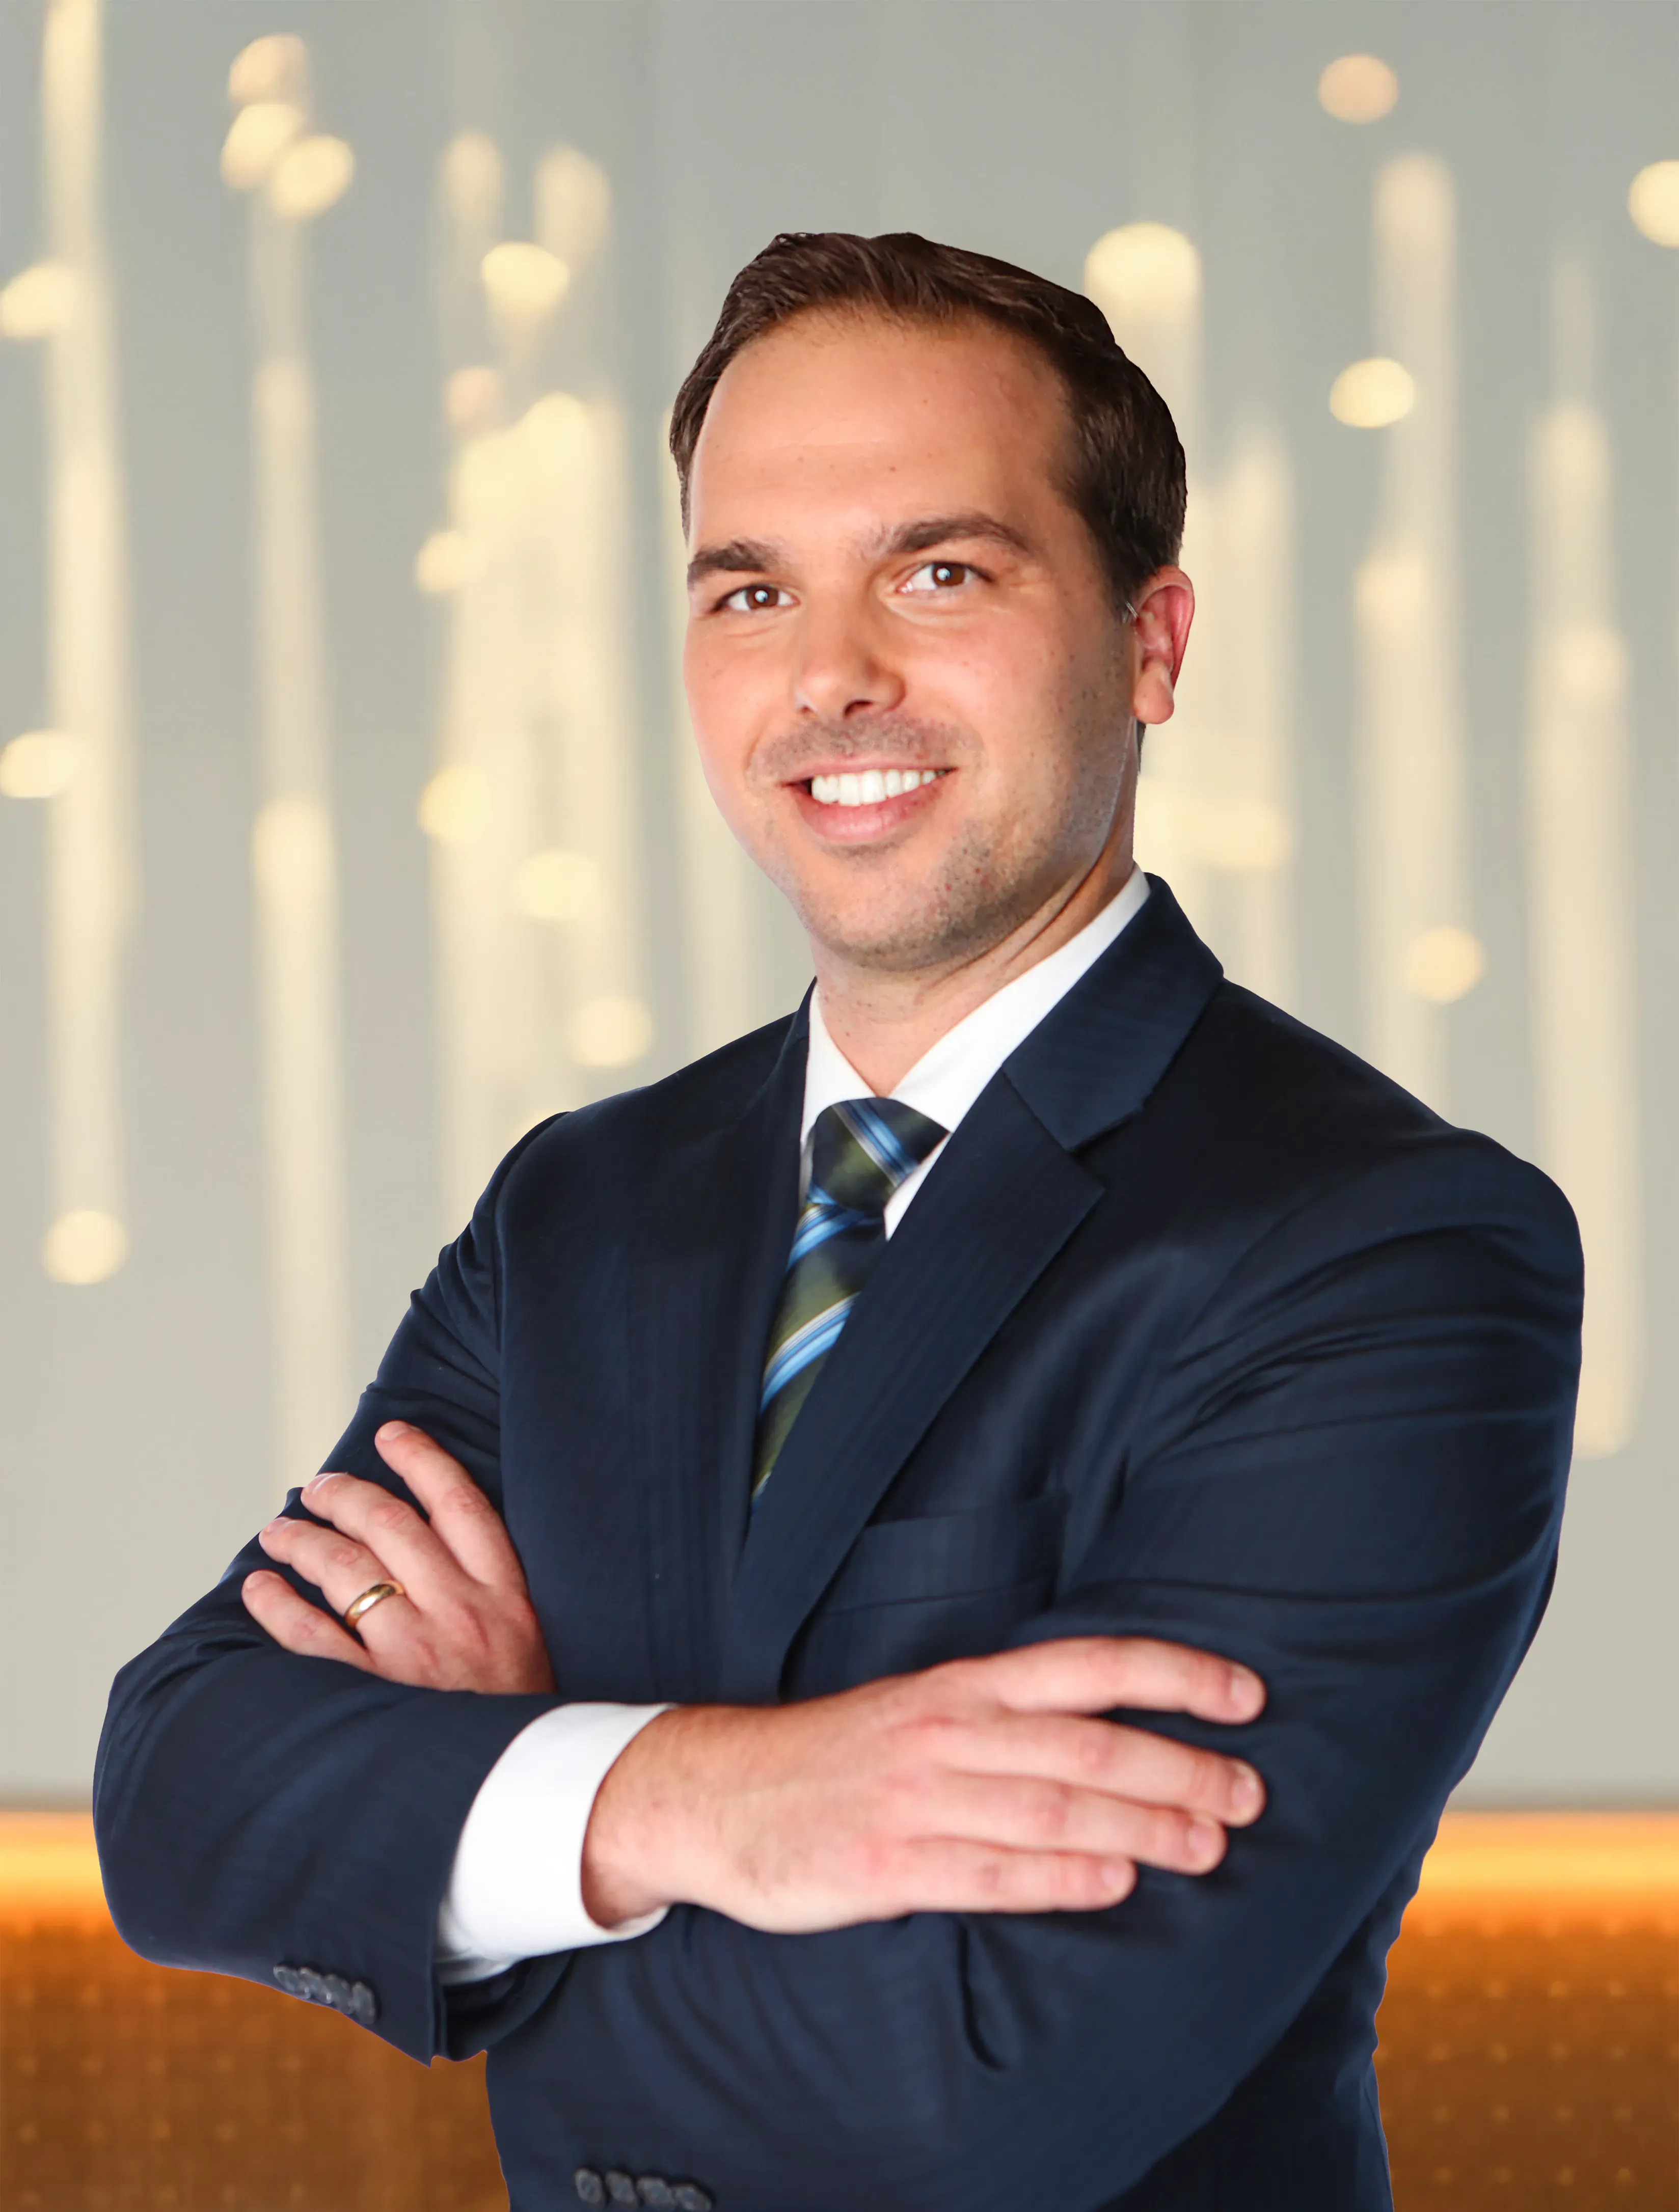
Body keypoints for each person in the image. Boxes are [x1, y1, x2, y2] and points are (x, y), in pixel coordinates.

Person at [95, 232, 1582, 2212]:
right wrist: (706, 1795)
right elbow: (180, 1794)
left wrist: (509, 1814)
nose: (829, 677)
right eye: (751, 590)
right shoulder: (581, 1207)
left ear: (1150, 640)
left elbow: (990, 2085)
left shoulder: (1384, 1248)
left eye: (938, 572)